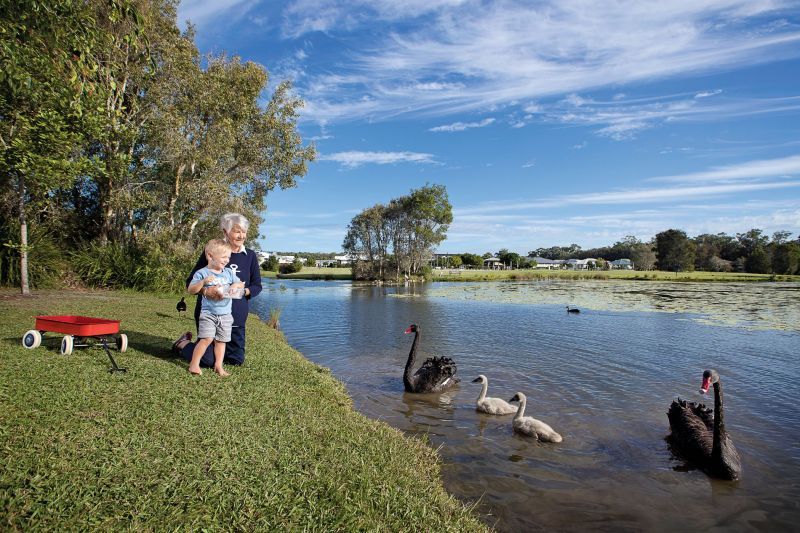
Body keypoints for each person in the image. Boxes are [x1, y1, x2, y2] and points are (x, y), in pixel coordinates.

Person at [173, 213, 263, 367]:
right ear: (225, 232)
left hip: (236, 317)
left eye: (244, 232)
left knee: (235, 361)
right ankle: (183, 344)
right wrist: (205, 291)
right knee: (207, 361)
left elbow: (257, 286)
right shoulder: (212, 253)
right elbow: (191, 283)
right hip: (210, 314)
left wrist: (243, 291)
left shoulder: (250, 256)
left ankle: (216, 350)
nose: (241, 236)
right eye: (237, 231)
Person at [186, 239, 244, 376]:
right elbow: (191, 290)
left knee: (221, 341)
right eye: (224, 257)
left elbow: (241, 283)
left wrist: (235, 285)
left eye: (228, 257)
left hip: (225, 315)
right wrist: (203, 282)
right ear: (210, 256)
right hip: (208, 314)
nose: (227, 260)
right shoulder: (202, 273)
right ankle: (194, 365)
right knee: (206, 339)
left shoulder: (228, 272)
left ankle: (218, 366)